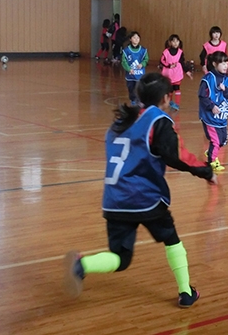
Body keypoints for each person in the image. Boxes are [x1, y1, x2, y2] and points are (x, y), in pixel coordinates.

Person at [63, 73, 218, 308]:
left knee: (120, 259)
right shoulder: (158, 121)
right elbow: (176, 156)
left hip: (114, 199)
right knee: (171, 239)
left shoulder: (120, 121)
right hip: (145, 199)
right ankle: (186, 292)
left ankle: (81, 266)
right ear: (166, 98)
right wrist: (206, 172)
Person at [199, 51, 228, 171]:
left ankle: (211, 151)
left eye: (226, 63)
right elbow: (202, 96)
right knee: (216, 140)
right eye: (222, 63)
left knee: (223, 140)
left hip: (222, 117)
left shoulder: (227, 80)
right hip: (210, 116)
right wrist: (211, 106)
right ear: (214, 64)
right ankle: (212, 162)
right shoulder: (208, 79)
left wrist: (225, 90)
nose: (225, 66)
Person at [160, 34, 193, 111]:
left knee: (177, 88)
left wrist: (187, 71)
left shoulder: (180, 52)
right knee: (170, 89)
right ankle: (171, 102)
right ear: (170, 42)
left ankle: (177, 104)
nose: (175, 43)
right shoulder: (166, 51)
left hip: (177, 73)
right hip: (168, 73)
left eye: (177, 41)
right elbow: (162, 61)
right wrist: (168, 65)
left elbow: (182, 62)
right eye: (173, 41)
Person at [121, 32, 149, 105]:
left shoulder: (143, 50)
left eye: (137, 38)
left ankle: (139, 100)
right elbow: (124, 61)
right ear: (130, 39)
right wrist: (128, 69)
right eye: (134, 37)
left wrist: (142, 64)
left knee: (139, 88)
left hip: (139, 74)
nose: (136, 39)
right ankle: (133, 100)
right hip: (130, 74)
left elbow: (146, 59)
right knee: (131, 88)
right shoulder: (126, 50)